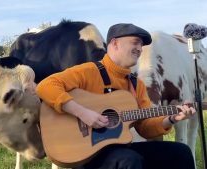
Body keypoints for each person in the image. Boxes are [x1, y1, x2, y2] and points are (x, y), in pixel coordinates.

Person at [36, 23, 196, 169]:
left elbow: (145, 128)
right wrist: (83, 113)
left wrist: (172, 118)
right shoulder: (88, 71)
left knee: (180, 152)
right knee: (129, 161)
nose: (140, 48)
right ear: (114, 43)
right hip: (86, 154)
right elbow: (46, 86)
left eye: (141, 44)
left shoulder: (136, 84)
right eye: (135, 42)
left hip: (119, 149)